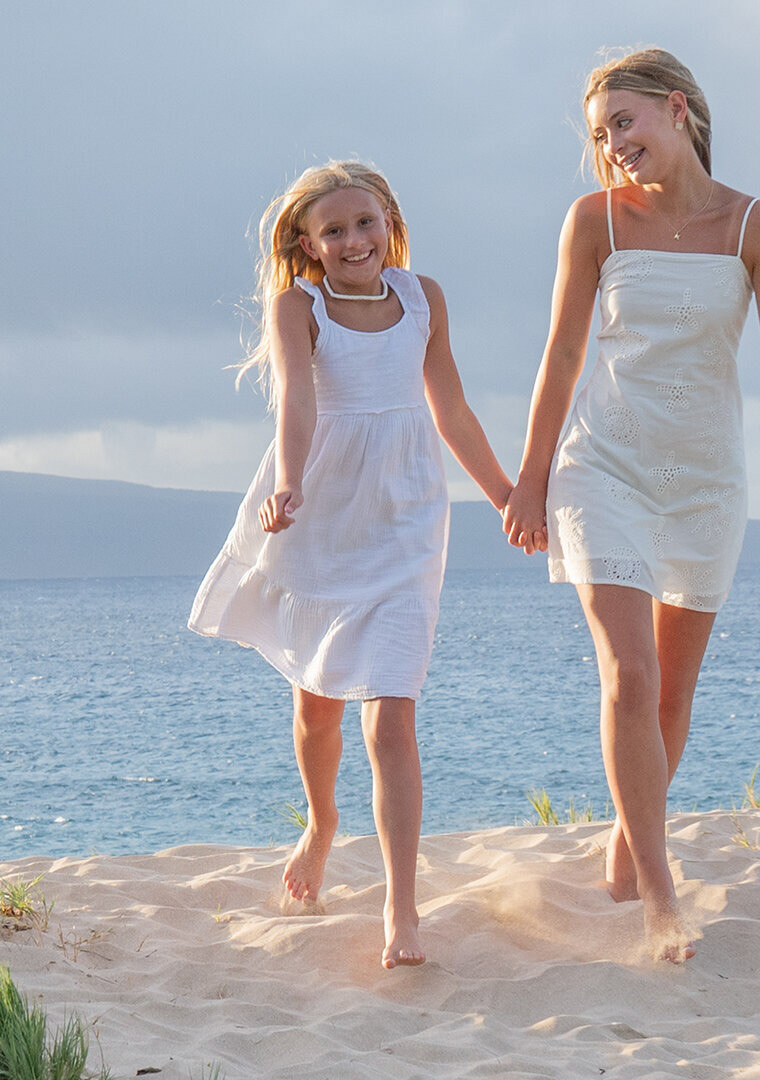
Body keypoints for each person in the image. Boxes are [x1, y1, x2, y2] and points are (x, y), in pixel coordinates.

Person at [501, 49, 760, 962]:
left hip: (706, 482)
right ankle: (659, 898)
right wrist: (531, 477)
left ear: (676, 109)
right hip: (605, 467)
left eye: (623, 122)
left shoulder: (756, 225)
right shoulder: (594, 221)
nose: (613, 145)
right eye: (600, 134)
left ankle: (629, 836)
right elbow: (562, 356)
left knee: (672, 694)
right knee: (629, 678)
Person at [191, 160, 513, 970]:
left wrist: (507, 495)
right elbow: (296, 401)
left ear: (389, 221)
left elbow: (451, 407)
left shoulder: (423, 298)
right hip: (322, 514)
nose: (353, 240)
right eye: (332, 230)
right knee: (318, 705)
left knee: (391, 713)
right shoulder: (298, 308)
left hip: (406, 519)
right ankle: (322, 822)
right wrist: (290, 481)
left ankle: (401, 907)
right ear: (307, 243)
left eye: (365, 222)